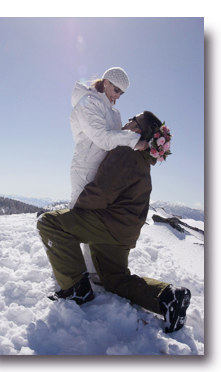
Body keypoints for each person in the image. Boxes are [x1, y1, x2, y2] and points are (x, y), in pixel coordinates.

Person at [37, 111, 191, 333]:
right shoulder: (142, 160)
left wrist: (74, 212)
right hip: (124, 232)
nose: (127, 121)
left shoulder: (126, 152)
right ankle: (168, 296)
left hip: (108, 224)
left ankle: (75, 288)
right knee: (114, 280)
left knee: (50, 223)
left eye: (132, 119)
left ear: (138, 129)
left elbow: (102, 192)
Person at [69, 67, 147, 279]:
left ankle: (94, 271)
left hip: (103, 172)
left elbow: (117, 142)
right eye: (116, 89)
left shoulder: (114, 112)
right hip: (85, 167)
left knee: (94, 219)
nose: (118, 95)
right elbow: (103, 137)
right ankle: (76, 272)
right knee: (78, 217)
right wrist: (135, 141)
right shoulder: (88, 102)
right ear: (105, 82)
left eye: (122, 92)